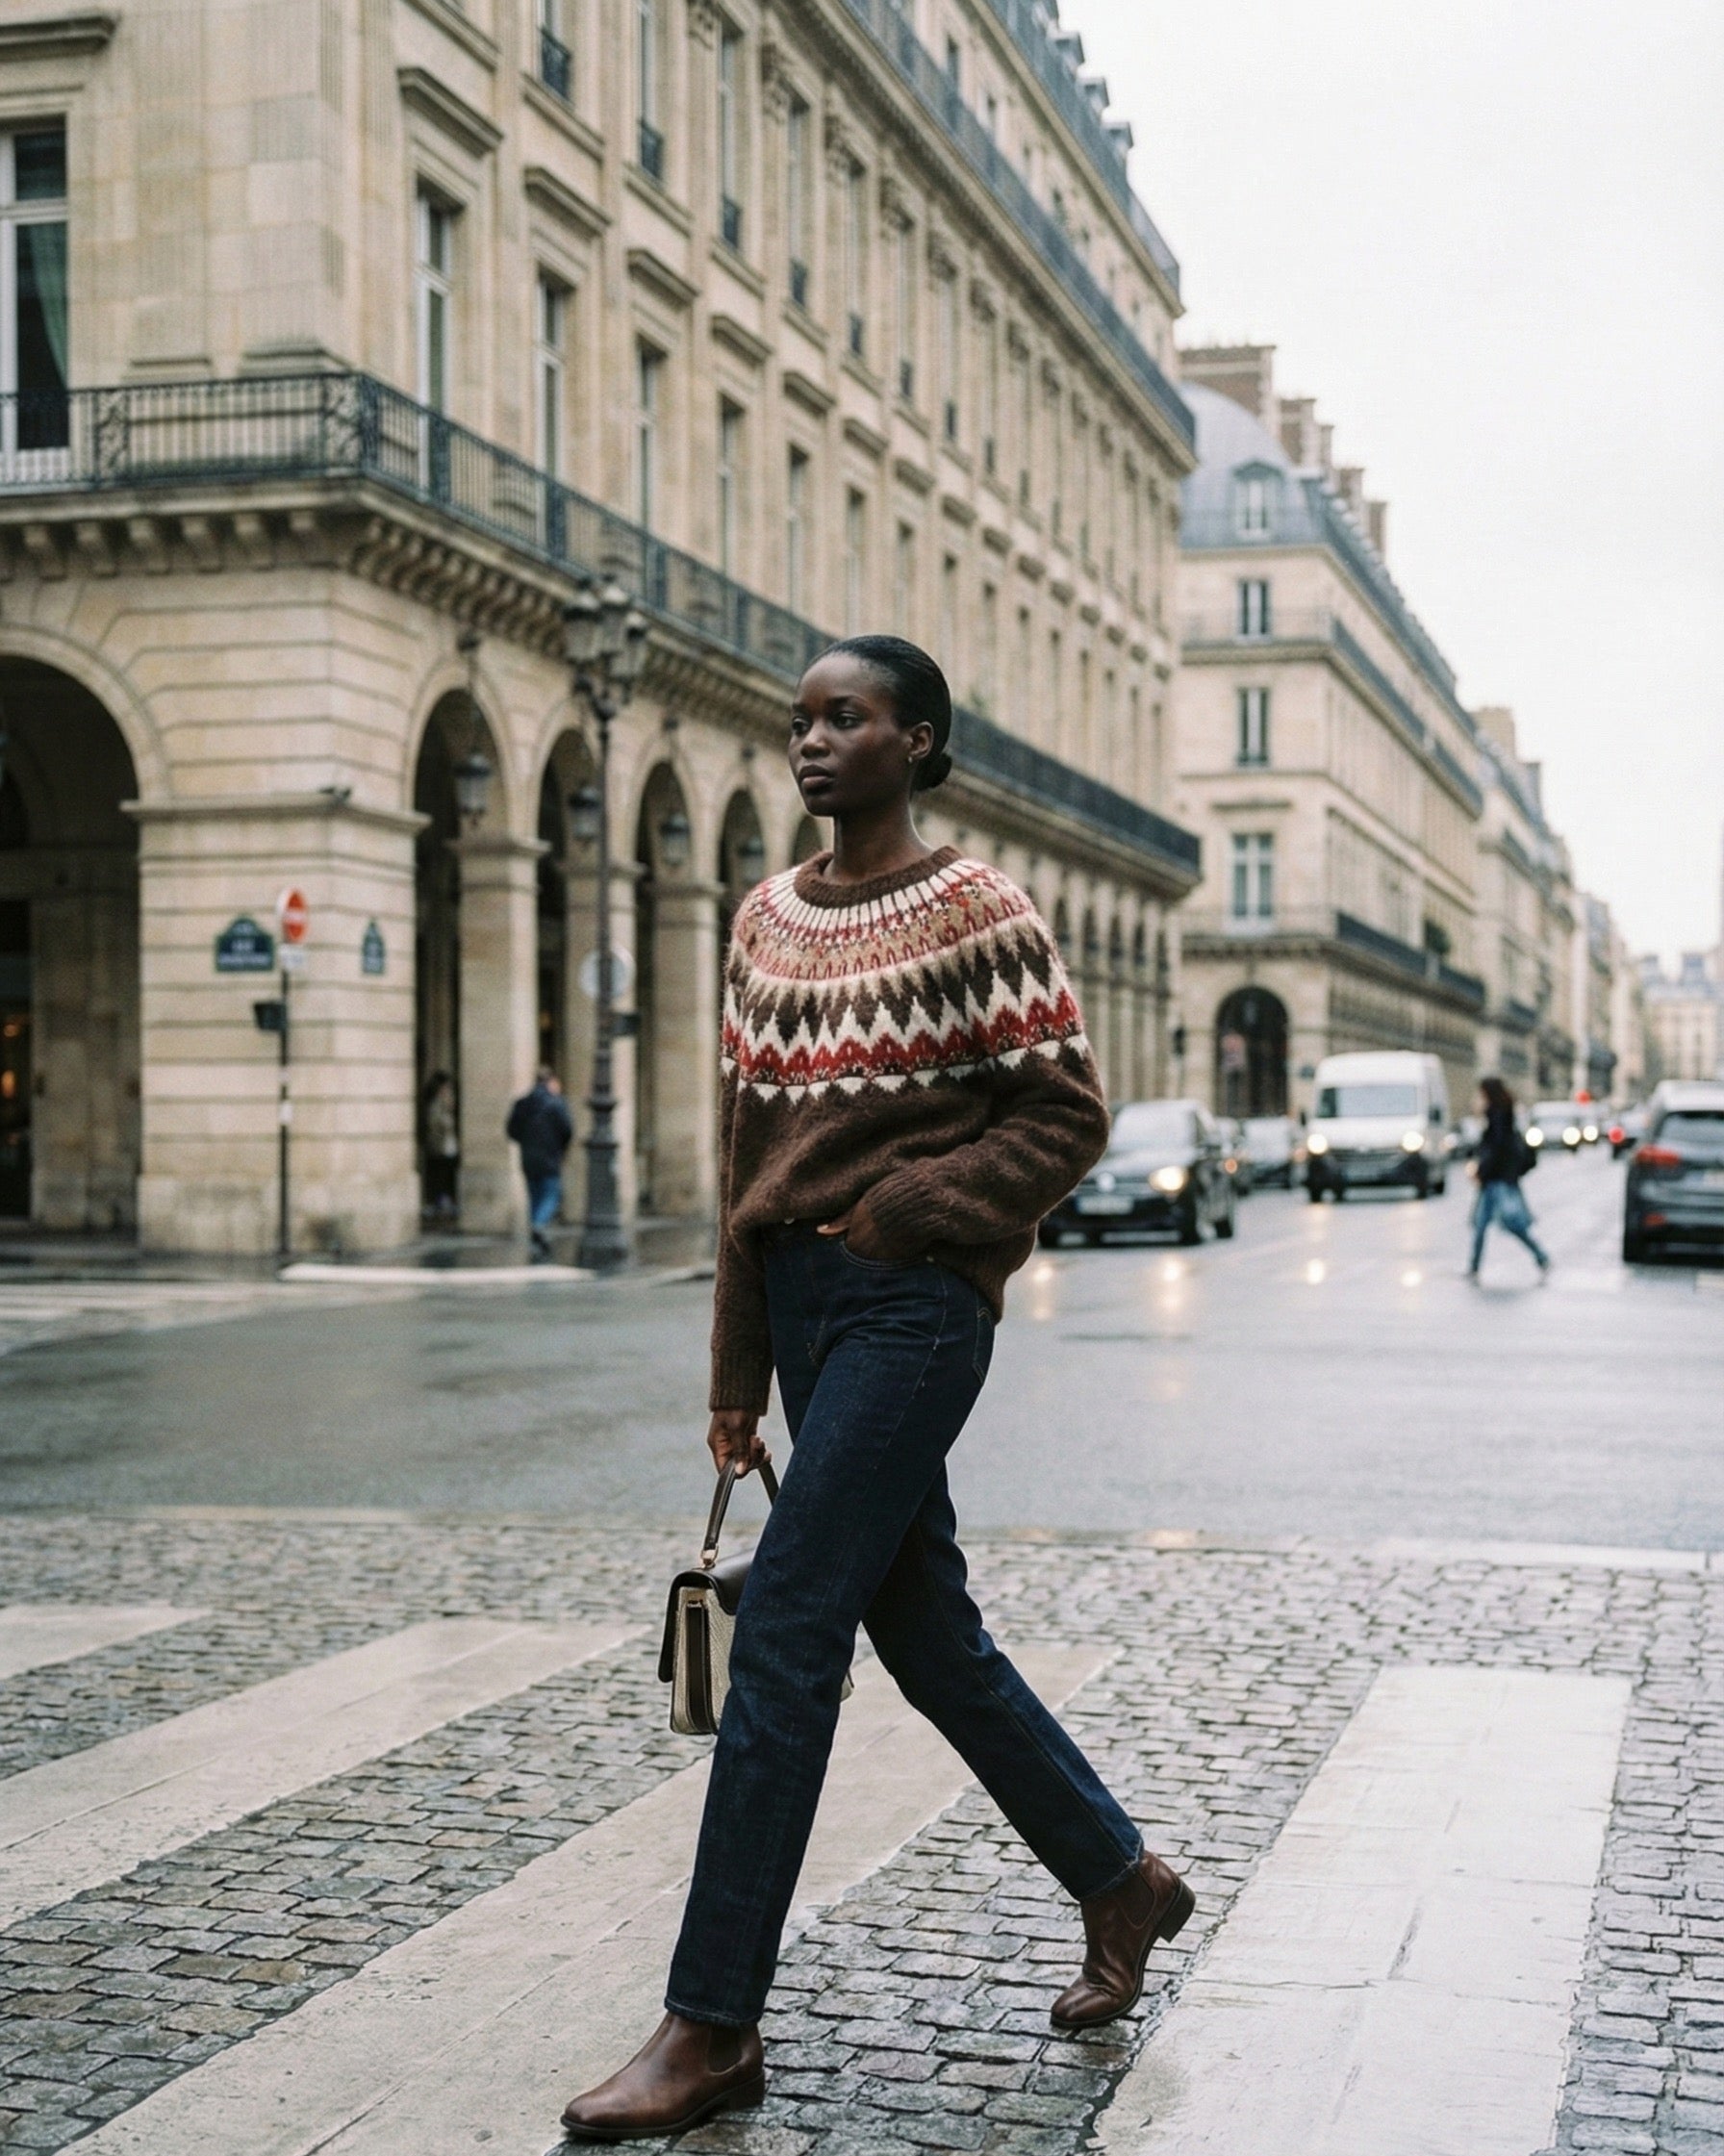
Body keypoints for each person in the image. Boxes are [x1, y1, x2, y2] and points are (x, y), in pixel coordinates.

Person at [558, 636, 1194, 2144]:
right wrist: (733, 1375)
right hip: (796, 1303)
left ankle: (711, 2025)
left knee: (785, 1623)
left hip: (914, 1308)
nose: (813, 740)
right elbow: (742, 1169)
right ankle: (1123, 1880)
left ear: (919, 740)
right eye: (802, 719)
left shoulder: (981, 908)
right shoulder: (763, 920)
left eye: (847, 717)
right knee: (928, 1632)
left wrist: (920, 1213)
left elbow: (1065, 1115)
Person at [1467, 1074, 1550, 1279]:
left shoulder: (1497, 1116)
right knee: (1481, 1223)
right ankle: (1474, 1266)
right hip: (1496, 1178)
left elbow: (1494, 1150)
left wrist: (1481, 1171)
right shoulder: (1501, 1114)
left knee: (1508, 1222)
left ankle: (1540, 1255)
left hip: (1497, 1179)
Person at [505, 1068, 572, 1260]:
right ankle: (539, 1225)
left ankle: (536, 1234)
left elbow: (511, 1130)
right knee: (552, 1194)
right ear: (550, 1082)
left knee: (535, 1196)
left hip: (528, 1157)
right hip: (550, 1157)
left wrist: (527, 1142)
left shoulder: (522, 1103)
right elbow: (567, 1130)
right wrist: (558, 1146)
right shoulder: (556, 1103)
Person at [420, 1071, 459, 1221]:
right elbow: (437, 1124)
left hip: (447, 1147)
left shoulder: (444, 1104)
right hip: (439, 1148)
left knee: (446, 1176)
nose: (448, 1091)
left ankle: (444, 1202)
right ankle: (440, 1203)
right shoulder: (436, 1105)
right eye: (446, 1088)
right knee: (440, 1177)